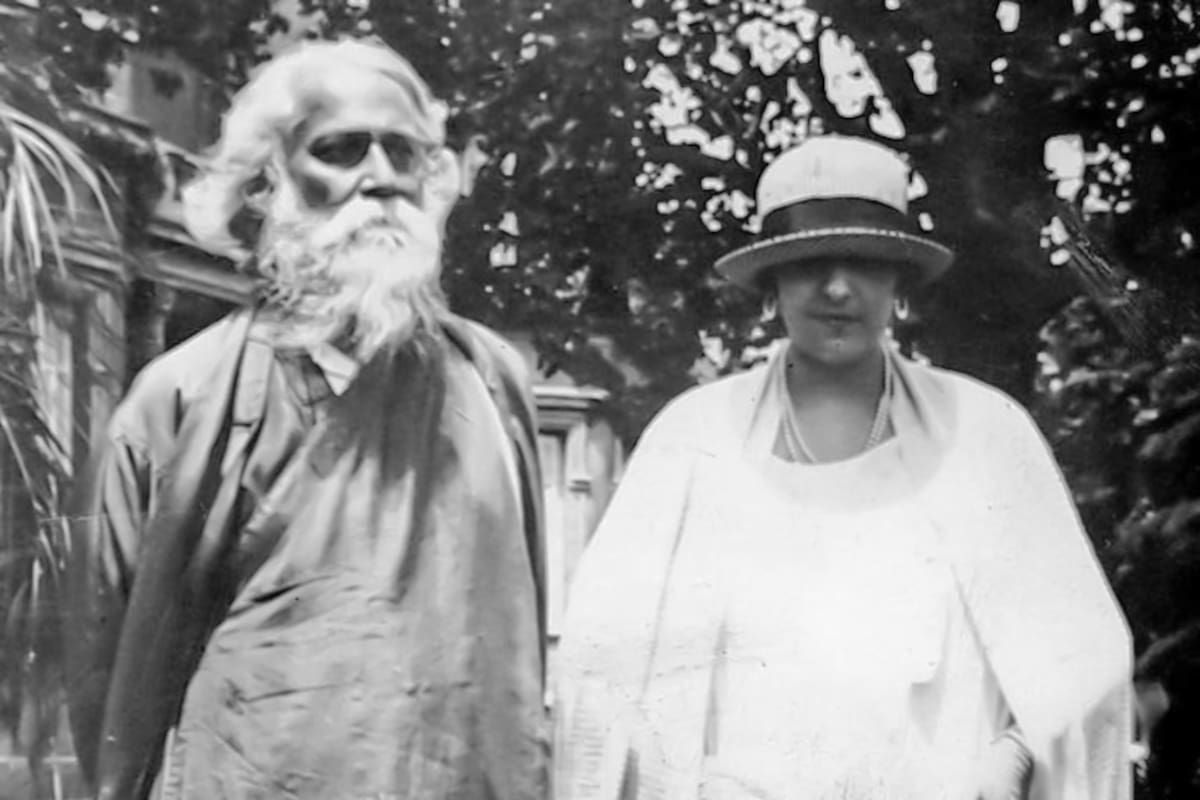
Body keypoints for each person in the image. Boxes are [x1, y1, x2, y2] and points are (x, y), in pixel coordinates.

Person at [553, 135, 1132, 800]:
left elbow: (1085, 656)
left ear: (899, 281)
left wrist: (1017, 753)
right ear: (771, 284)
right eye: (808, 263)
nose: (836, 288)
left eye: (862, 261)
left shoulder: (986, 436)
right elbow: (601, 665)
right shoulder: (689, 444)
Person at [63, 38, 547, 800]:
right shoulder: (181, 401)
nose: (381, 179)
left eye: (404, 153)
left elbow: (517, 652)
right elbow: (107, 673)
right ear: (268, 183)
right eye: (340, 150)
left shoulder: (491, 385)